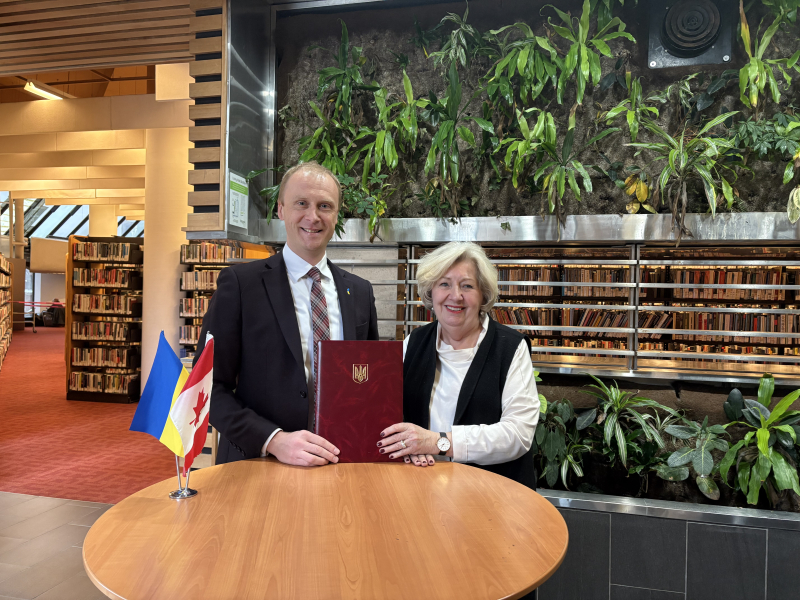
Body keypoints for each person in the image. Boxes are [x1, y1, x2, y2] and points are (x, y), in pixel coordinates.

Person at [196, 161, 380, 467]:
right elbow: (207, 387)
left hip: (340, 461)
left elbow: (368, 383)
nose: (313, 216)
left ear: (337, 215)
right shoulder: (241, 286)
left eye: (325, 206)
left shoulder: (359, 292)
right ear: (281, 209)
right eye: (301, 204)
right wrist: (274, 440)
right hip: (256, 464)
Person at [378, 242, 540, 488]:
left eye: (467, 286)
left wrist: (437, 442)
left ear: (483, 294)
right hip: (422, 488)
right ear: (431, 292)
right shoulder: (413, 342)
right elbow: (385, 409)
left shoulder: (510, 347)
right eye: (444, 284)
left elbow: (517, 434)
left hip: (493, 498)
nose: (455, 296)